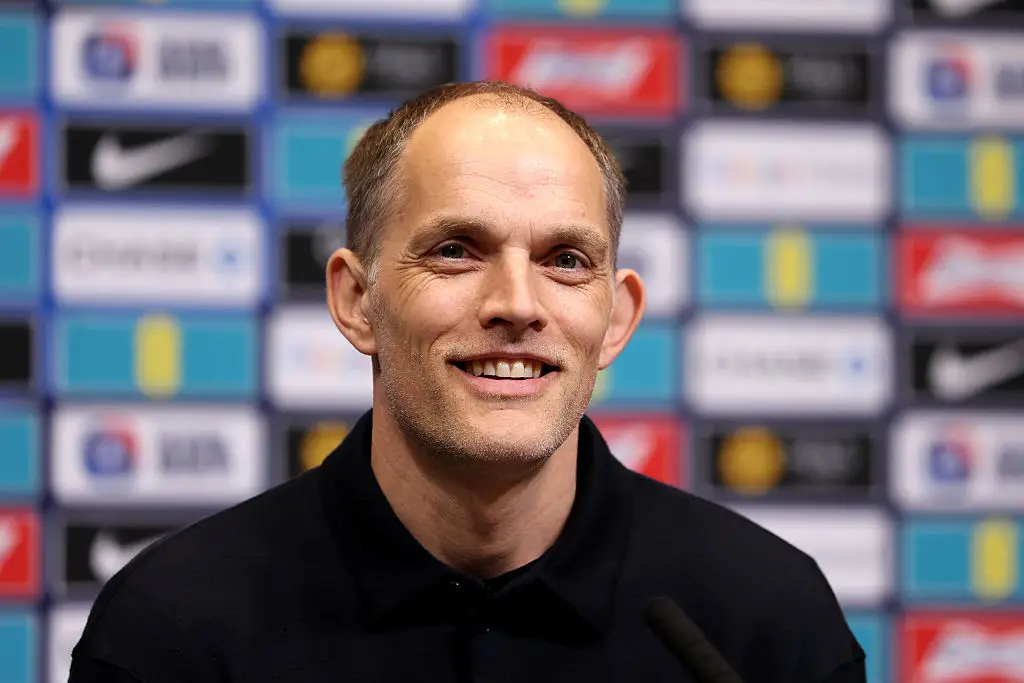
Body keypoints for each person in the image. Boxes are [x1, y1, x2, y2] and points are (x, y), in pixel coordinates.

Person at [68, 81, 866, 683]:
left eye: (565, 260)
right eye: (456, 250)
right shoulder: (172, 630)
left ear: (616, 319)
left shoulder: (765, 621)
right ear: (356, 301)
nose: (517, 305)